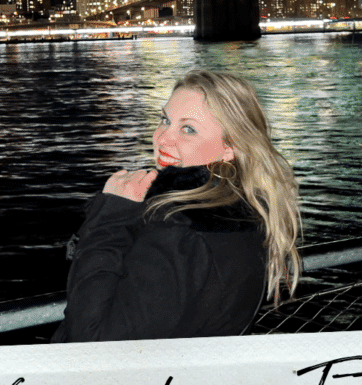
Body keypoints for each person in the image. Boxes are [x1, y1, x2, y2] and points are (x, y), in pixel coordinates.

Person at [52, 70, 301, 343]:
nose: (162, 139)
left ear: (230, 147)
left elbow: (92, 342)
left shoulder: (179, 228)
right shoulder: (243, 212)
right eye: (164, 120)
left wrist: (111, 214)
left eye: (188, 129)